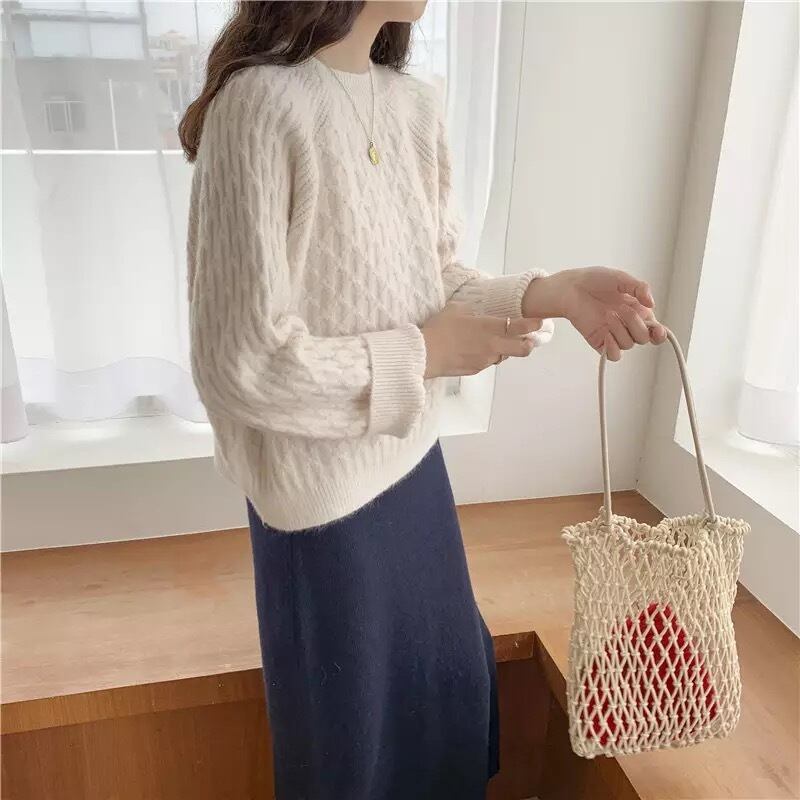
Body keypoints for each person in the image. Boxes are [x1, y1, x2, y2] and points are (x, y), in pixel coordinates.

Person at [181, 2, 667, 798]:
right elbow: (241, 361)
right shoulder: (259, 107)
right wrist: (428, 354)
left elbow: (431, 281)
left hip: (415, 477)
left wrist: (552, 292)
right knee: (356, 761)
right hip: (324, 517)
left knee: (443, 721)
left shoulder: (413, 105)